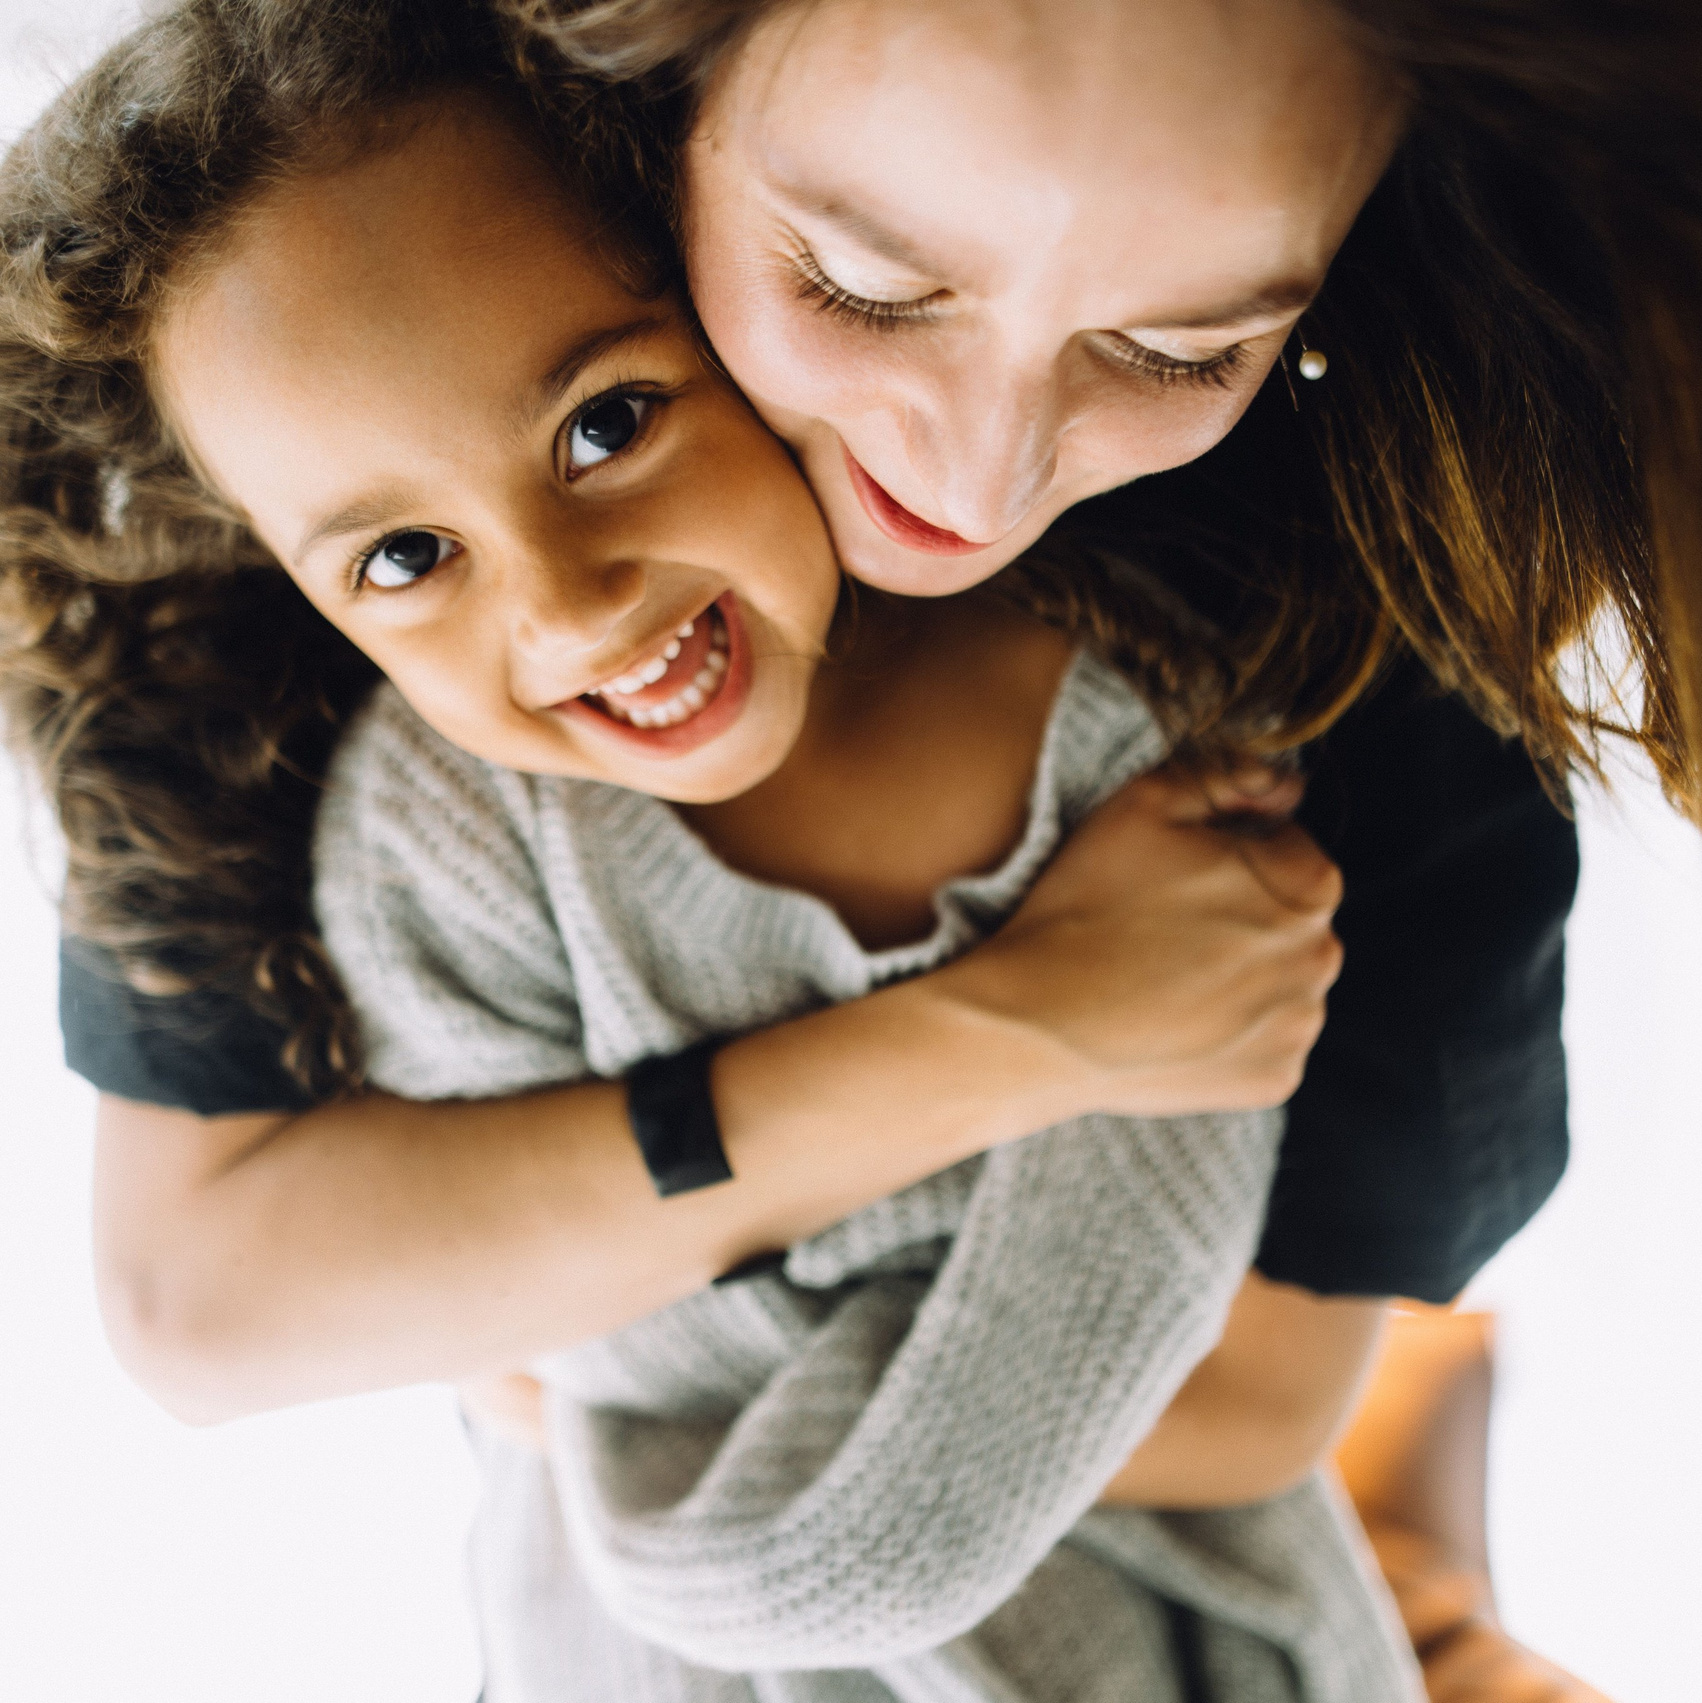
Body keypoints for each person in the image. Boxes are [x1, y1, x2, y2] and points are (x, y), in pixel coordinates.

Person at [0, 0, 1594, 1688]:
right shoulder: (383, 793)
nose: (563, 607)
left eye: (609, 426)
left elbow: (1254, 1399)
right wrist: (1026, 1028)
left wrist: (594, 1311)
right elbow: (206, 1312)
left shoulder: (1228, 715)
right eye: (399, 559)